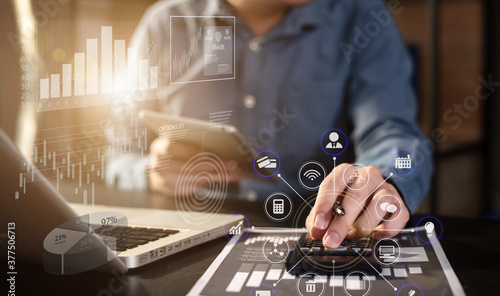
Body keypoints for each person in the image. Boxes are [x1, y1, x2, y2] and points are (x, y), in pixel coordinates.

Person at [120, 0, 433, 249]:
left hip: (314, 232)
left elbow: (391, 130)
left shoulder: (363, 16)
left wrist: (383, 183)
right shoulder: (164, 23)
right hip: (186, 230)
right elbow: (116, 152)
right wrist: (148, 171)